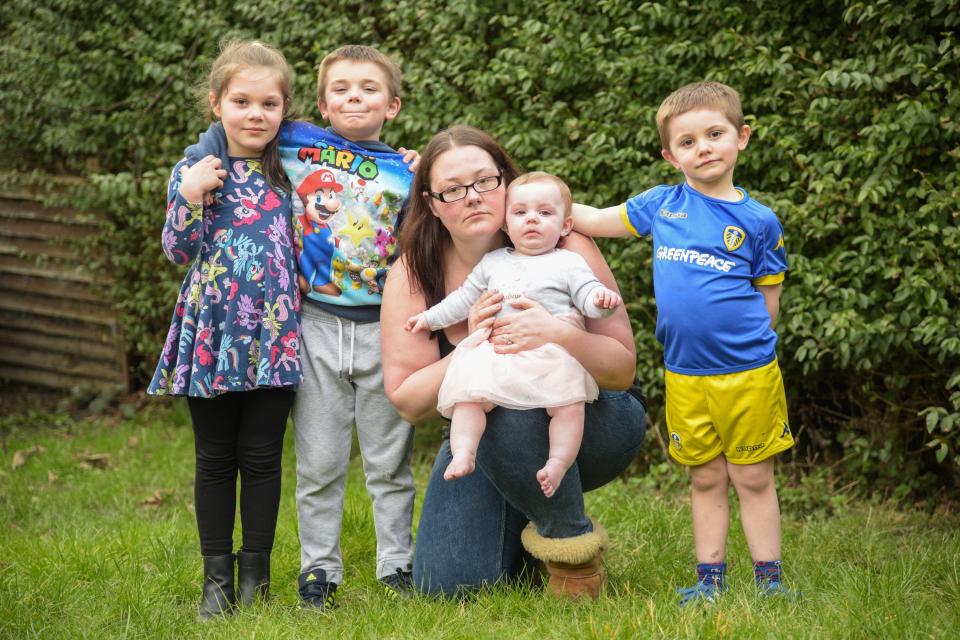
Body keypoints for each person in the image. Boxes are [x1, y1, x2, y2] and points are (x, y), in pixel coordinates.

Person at [185, 45, 418, 610]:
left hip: (384, 329)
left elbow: (419, 247)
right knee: (318, 463)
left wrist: (418, 165)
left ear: (393, 105)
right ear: (318, 103)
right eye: (341, 88)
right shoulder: (293, 140)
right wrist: (199, 157)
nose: (354, 97)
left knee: (390, 461)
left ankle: (397, 566)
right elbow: (234, 124)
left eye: (368, 88)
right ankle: (319, 573)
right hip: (311, 323)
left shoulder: (407, 171)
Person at [381, 126, 647, 601]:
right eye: (453, 190)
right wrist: (474, 343)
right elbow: (407, 402)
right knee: (447, 587)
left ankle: (571, 549)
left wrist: (560, 332)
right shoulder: (415, 271)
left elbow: (621, 371)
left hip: (591, 414)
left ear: (506, 181)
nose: (473, 197)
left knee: (516, 405)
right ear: (433, 202)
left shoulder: (566, 246)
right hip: (484, 430)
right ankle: (530, 522)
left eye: (485, 181)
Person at [571, 81, 798, 605]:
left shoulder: (760, 221)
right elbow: (592, 219)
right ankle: (709, 581)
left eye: (715, 134)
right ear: (670, 155)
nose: (705, 148)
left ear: (741, 137)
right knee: (705, 478)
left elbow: (769, 303)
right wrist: (523, 198)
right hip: (685, 374)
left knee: (754, 478)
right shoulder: (661, 205)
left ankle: (770, 584)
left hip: (748, 375)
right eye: (689, 142)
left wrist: (748, 353)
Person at [147, 40, 300, 620]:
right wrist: (188, 196)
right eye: (242, 101)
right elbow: (177, 250)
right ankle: (216, 578)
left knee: (262, 458)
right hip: (211, 332)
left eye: (269, 103)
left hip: (274, 335)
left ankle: (255, 575)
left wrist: (401, 162)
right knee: (214, 458)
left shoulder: (290, 172)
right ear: (217, 104)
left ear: (285, 109)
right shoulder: (197, 170)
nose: (255, 114)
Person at [405, 172, 622, 498]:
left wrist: (600, 303)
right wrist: (429, 318)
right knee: (468, 398)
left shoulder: (568, 262)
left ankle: (557, 462)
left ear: (565, 226)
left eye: (545, 213)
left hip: (550, 356)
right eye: (520, 213)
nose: (532, 219)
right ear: (505, 224)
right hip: (499, 353)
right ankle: (464, 451)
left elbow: (588, 294)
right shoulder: (493, 262)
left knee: (569, 407)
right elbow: (463, 300)